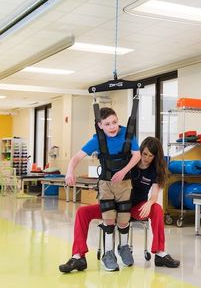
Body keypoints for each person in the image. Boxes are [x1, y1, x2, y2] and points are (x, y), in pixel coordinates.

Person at [59, 136, 180, 273]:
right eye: (144, 154)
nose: (146, 158)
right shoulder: (129, 163)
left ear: (155, 157)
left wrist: (150, 202)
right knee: (82, 212)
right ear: (140, 151)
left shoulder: (154, 171)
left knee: (157, 208)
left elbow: (154, 195)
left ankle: (160, 253)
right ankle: (78, 256)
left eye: (150, 156)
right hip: (112, 205)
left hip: (133, 208)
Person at [65, 107, 140, 271]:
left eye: (114, 122)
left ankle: (124, 247)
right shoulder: (96, 140)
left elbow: (137, 155)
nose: (112, 127)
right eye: (107, 124)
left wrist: (124, 171)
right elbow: (76, 157)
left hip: (124, 182)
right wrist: (70, 171)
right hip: (106, 184)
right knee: (108, 218)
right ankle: (108, 253)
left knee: (124, 218)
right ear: (100, 125)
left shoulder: (128, 134)